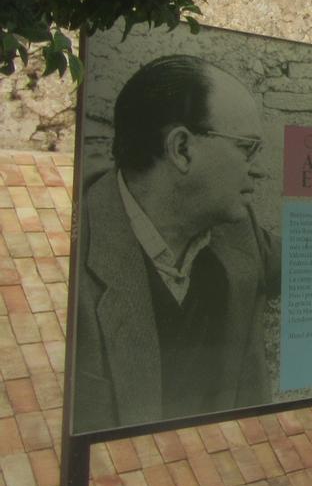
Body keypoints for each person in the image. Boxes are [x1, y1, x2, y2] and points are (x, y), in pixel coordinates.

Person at [70, 55, 279, 434]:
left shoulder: (238, 232)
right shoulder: (70, 263)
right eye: (247, 148)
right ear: (181, 149)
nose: (260, 169)